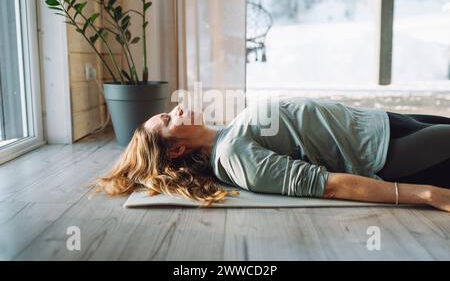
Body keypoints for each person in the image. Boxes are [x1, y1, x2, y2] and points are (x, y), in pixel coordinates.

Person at [92, 97, 450, 212]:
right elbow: (327, 186)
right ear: (177, 148)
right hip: (384, 153)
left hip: (376, 123)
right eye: (170, 119)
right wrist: (426, 195)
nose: (179, 109)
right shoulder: (234, 157)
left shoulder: (227, 133)